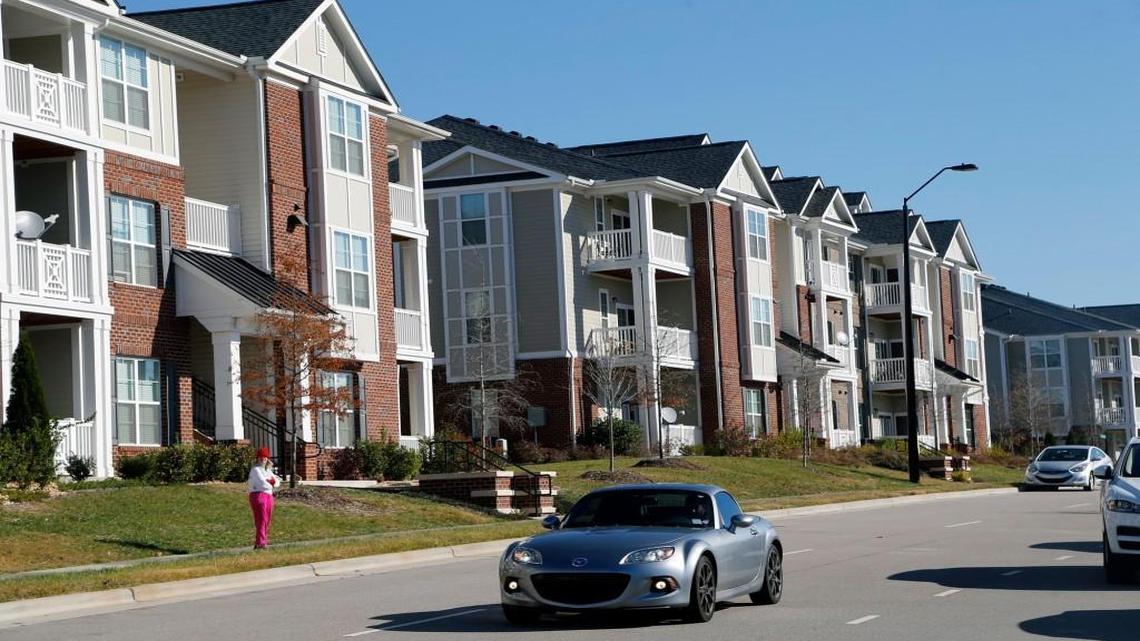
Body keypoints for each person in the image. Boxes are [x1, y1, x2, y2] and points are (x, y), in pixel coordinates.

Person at [248, 447, 279, 549]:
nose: (263, 460)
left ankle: (260, 542)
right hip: (258, 495)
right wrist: (271, 483)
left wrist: (272, 482)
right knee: (261, 519)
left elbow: (278, 481)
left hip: (269, 496)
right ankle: (261, 543)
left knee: (267, 520)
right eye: (261, 458)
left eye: (265, 458)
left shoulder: (268, 471)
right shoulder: (255, 470)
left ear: (267, 459)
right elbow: (262, 483)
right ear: (257, 459)